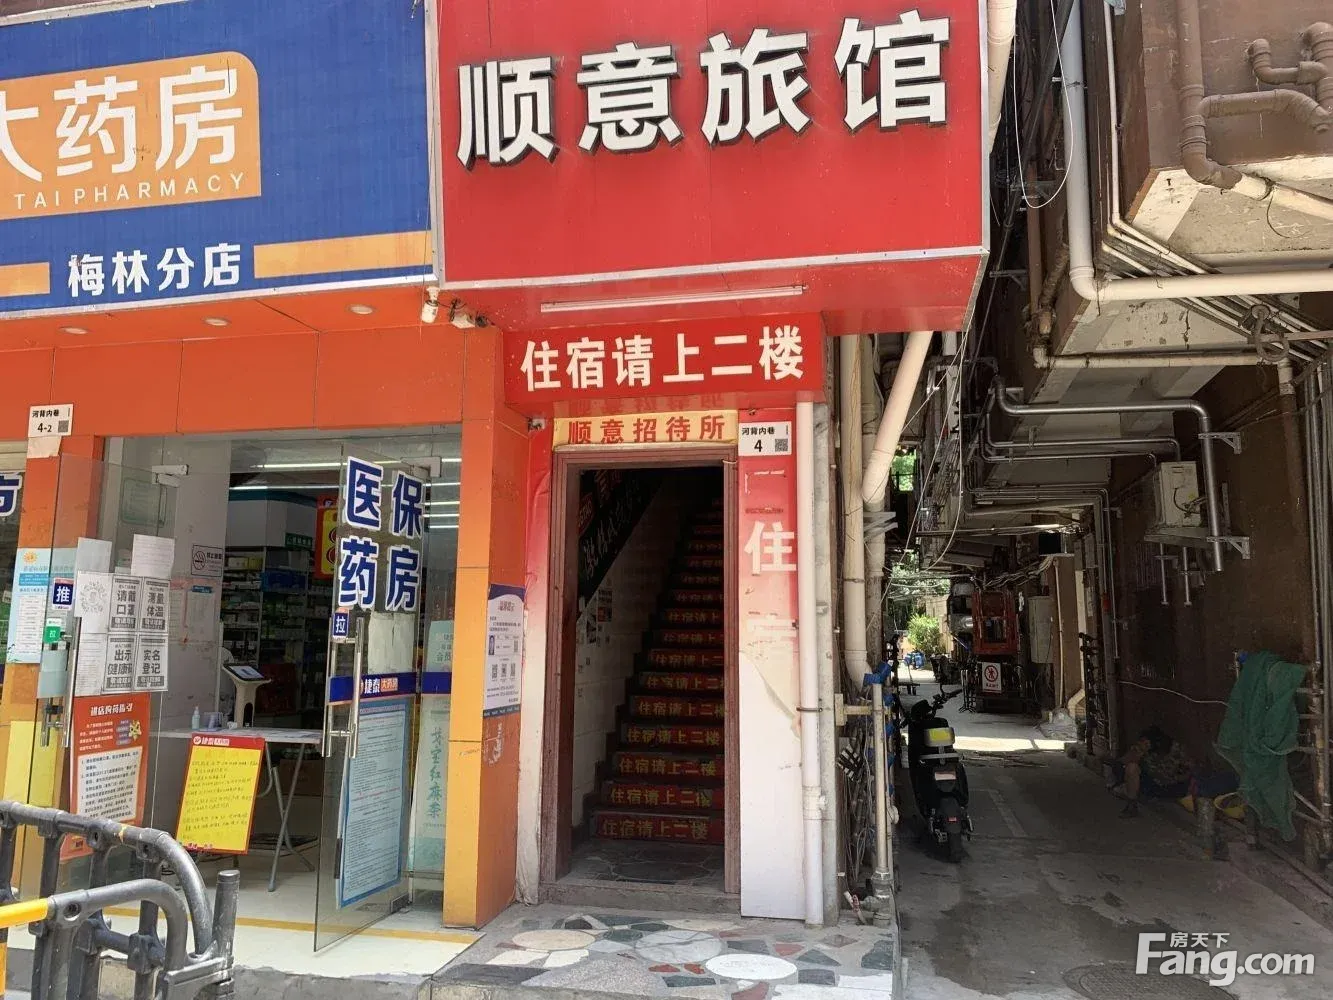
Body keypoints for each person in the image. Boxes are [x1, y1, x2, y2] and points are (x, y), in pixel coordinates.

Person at [1107, 725, 1192, 817]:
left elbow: (1185, 771)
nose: (1142, 744)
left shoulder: (1173, 751)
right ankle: (1132, 805)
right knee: (1131, 768)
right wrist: (1135, 755)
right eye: (1142, 742)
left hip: (1170, 786)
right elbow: (1119, 765)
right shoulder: (1141, 751)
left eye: (1146, 743)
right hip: (1152, 784)